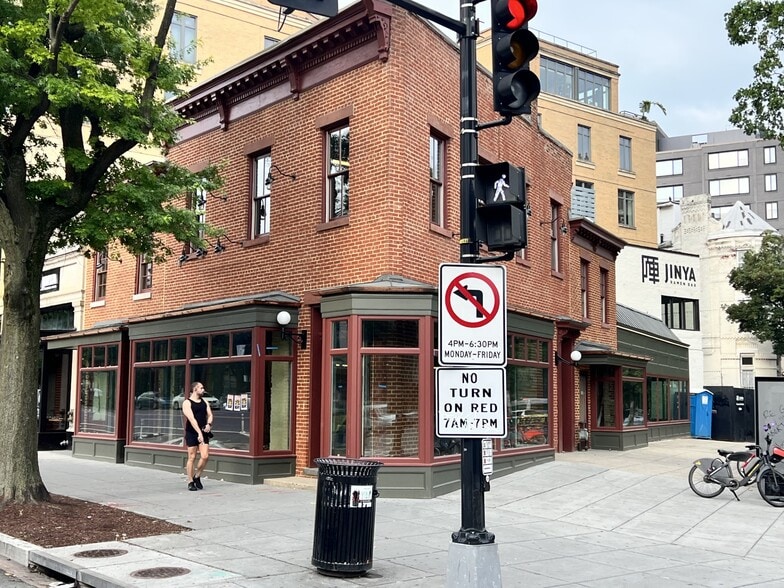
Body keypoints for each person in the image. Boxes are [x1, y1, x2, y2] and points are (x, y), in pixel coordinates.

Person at [183, 381, 214, 491]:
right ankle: (190, 481)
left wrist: (209, 424)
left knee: (205, 456)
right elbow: (192, 419)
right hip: (192, 432)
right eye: (201, 388)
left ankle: (197, 476)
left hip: (204, 431)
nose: (203, 390)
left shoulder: (204, 402)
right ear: (195, 389)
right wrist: (199, 433)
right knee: (192, 457)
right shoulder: (187, 403)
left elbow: (210, 415)